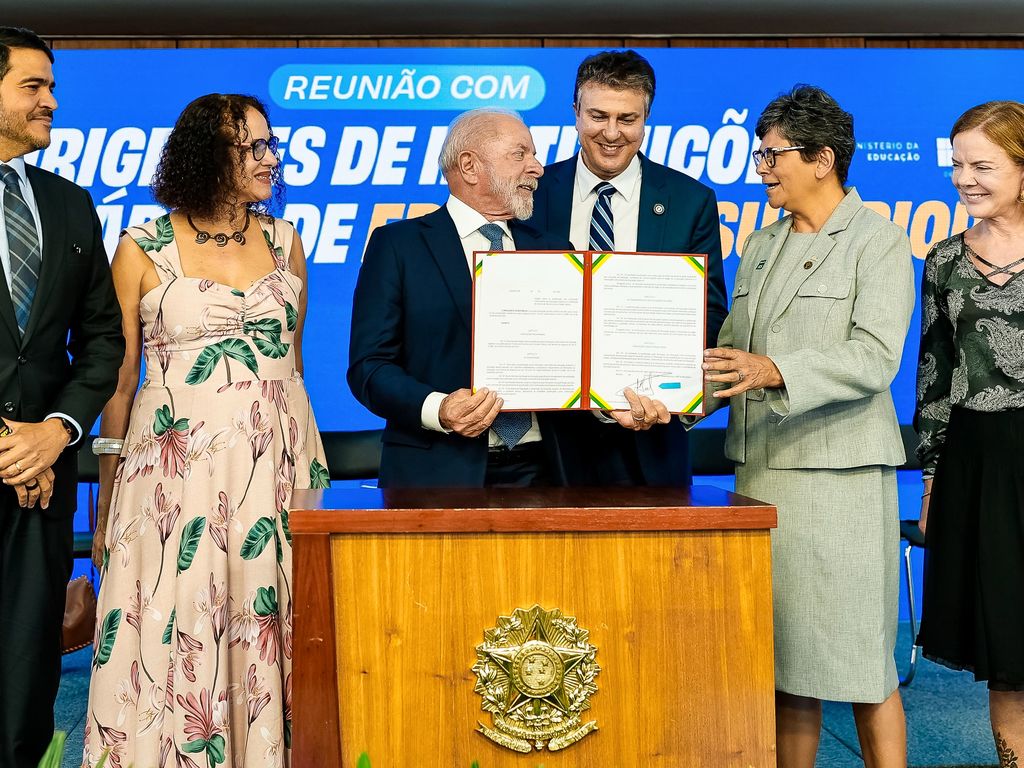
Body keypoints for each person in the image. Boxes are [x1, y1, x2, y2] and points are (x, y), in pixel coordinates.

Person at [82, 93, 327, 768]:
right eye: (252, 147)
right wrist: (107, 496)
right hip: (171, 480)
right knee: (175, 625)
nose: (268, 159)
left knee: (270, 628)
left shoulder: (286, 240)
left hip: (273, 471)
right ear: (205, 156)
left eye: (271, 145)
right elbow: (121, 382)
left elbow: (295, 367)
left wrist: (307, 475)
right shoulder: (143, 246)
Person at [700, 86, 914, 767]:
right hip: (761, 479)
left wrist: (772, 369)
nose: (761, 166)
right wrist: (663, 401)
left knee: (859, 667)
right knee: (788, 668)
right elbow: (731, 357)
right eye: (759, 153)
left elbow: (874, 358)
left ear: (823, 159)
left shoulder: (878, 243)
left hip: (839, 482)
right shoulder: (760, 245)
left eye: (773, 154)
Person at [348, 107, 668, 488]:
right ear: (469, 166)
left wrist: (611, 406)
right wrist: (440, 408)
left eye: (533, 155)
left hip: (549, 471)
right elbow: (369, 367)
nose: (537, 168)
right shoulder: (399, 246)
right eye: (521, 154)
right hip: (436, 473)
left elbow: (580, 361)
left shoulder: (553, 249)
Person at [0, 27, 124, 768]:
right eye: (33, 87)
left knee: (25, 675)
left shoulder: (70, 204)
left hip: (39, 487)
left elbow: (102, 340)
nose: (51, 101)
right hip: (24, 465)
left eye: (51, 87)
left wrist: (53, 432)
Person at [531, 50, 728, 487]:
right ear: (575, 112)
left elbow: (710, 313)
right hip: (546, 442)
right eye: (598, 116)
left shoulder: (689, 201)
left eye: (628, 118)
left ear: (646, 117)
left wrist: (672, 390)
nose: (612, 133)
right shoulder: (532, 192)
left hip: (651, 434)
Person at [916, 100, 1024, 765]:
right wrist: (930, 477)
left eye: (981, 165)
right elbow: (935, 376)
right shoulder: (944, 260)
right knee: (1008, 648)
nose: (964, 178)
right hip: (978, 466)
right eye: (956, 164)